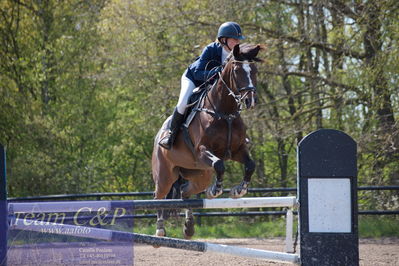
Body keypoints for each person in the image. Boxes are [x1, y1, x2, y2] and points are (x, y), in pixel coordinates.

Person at [159, 21, 246, 149]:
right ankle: (171, 135)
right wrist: (216, 72)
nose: (238, 42)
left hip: (213, 85)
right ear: (223, 40)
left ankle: (239, 135)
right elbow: (198, 72)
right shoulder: (211, 49)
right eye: (235, 39)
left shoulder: (237, 55)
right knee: (183, 103)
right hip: (193, 79)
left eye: (239, 40)